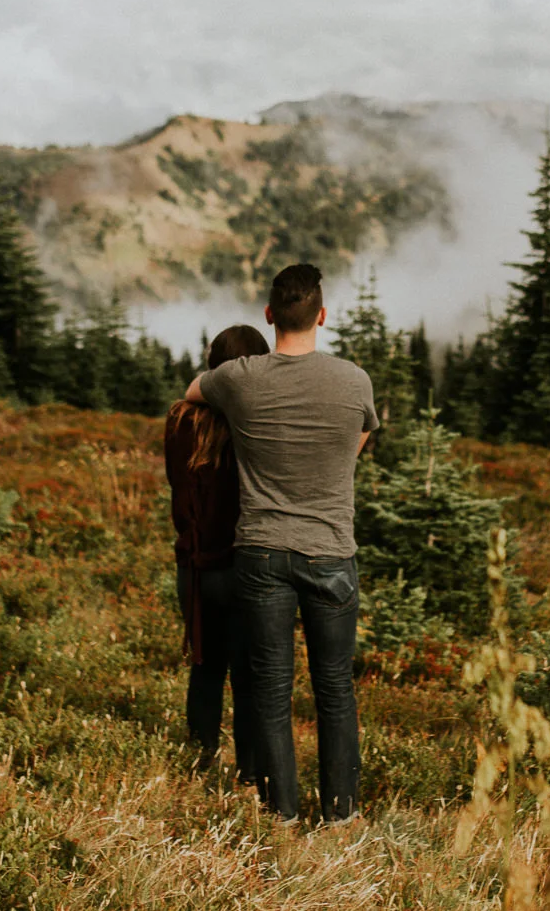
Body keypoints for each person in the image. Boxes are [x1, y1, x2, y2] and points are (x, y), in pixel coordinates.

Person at [185, 262, 377, 822]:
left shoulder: (241, 378)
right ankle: (341, 814)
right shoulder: (354, 380)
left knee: (269, 688)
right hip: (332, 550)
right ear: (321, 315)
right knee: (335, 689)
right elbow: (360, 436)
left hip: (262, 552)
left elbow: (193, 392)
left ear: (270, 316)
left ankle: (282, 814)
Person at [164, 323, 271, 778]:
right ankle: (248, 772)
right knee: (248, 677)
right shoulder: (255, 422)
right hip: (241, 565)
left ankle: (200, 760)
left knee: (205, 668)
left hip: (193, 565)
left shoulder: (179, 419)